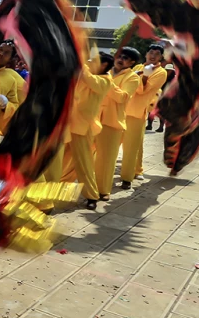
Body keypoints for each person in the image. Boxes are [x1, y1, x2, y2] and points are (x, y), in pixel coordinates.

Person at [63, 52, 113, 209]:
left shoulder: (105, 81)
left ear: (103, 65)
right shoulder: (88, 75)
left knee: (84, 164)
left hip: (83, 128)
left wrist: (79, 59)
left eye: (93, 60)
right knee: (62, 160)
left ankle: (92, 196)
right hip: (70, 123)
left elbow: (88, 79)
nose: (89, 62)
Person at [95, 47, 140, 201]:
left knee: (106, 158)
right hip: (93, 117)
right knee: (83, 154)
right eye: (120, 56)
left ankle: (103, 190)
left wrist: (106, 81)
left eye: (126, 58)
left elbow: (122, 97)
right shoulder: (105, 71)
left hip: (112, 121)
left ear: (132, 62)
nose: (120, 59)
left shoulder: (133, 78)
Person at [120, 44, 167, 188]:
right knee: (127, 143)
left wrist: (144, 76)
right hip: (121, 109)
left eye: (157, 54)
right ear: (146, 54)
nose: (153, 56)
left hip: (137, 112)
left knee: (132, 146)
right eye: (151, 52)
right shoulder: (137, 67)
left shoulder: (161, 72)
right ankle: (134, 169)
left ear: (161, 57)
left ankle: (130, 174)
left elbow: (142, 90)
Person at [146, 63, 175, 132]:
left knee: (162, 112)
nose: (168, 71)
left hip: (166, 97)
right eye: (167, 70)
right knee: (151, 110)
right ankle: (149, 125)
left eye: (169, 70)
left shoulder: (173, 79)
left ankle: (161, 127)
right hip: (157, 94)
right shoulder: (162, 76)